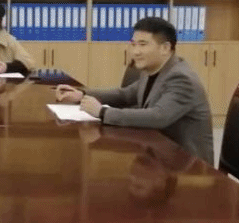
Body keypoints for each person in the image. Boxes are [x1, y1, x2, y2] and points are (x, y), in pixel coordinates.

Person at [55, 16, 214, 165]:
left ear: (165, 48)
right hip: (157, 152)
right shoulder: (151, 70)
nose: (135, 52)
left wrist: (102, 112)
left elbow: (158, 116)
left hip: (186, 165)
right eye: (133, 44)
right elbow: (125, 95)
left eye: (143, 45)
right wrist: (82, 94)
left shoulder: (181, 78)